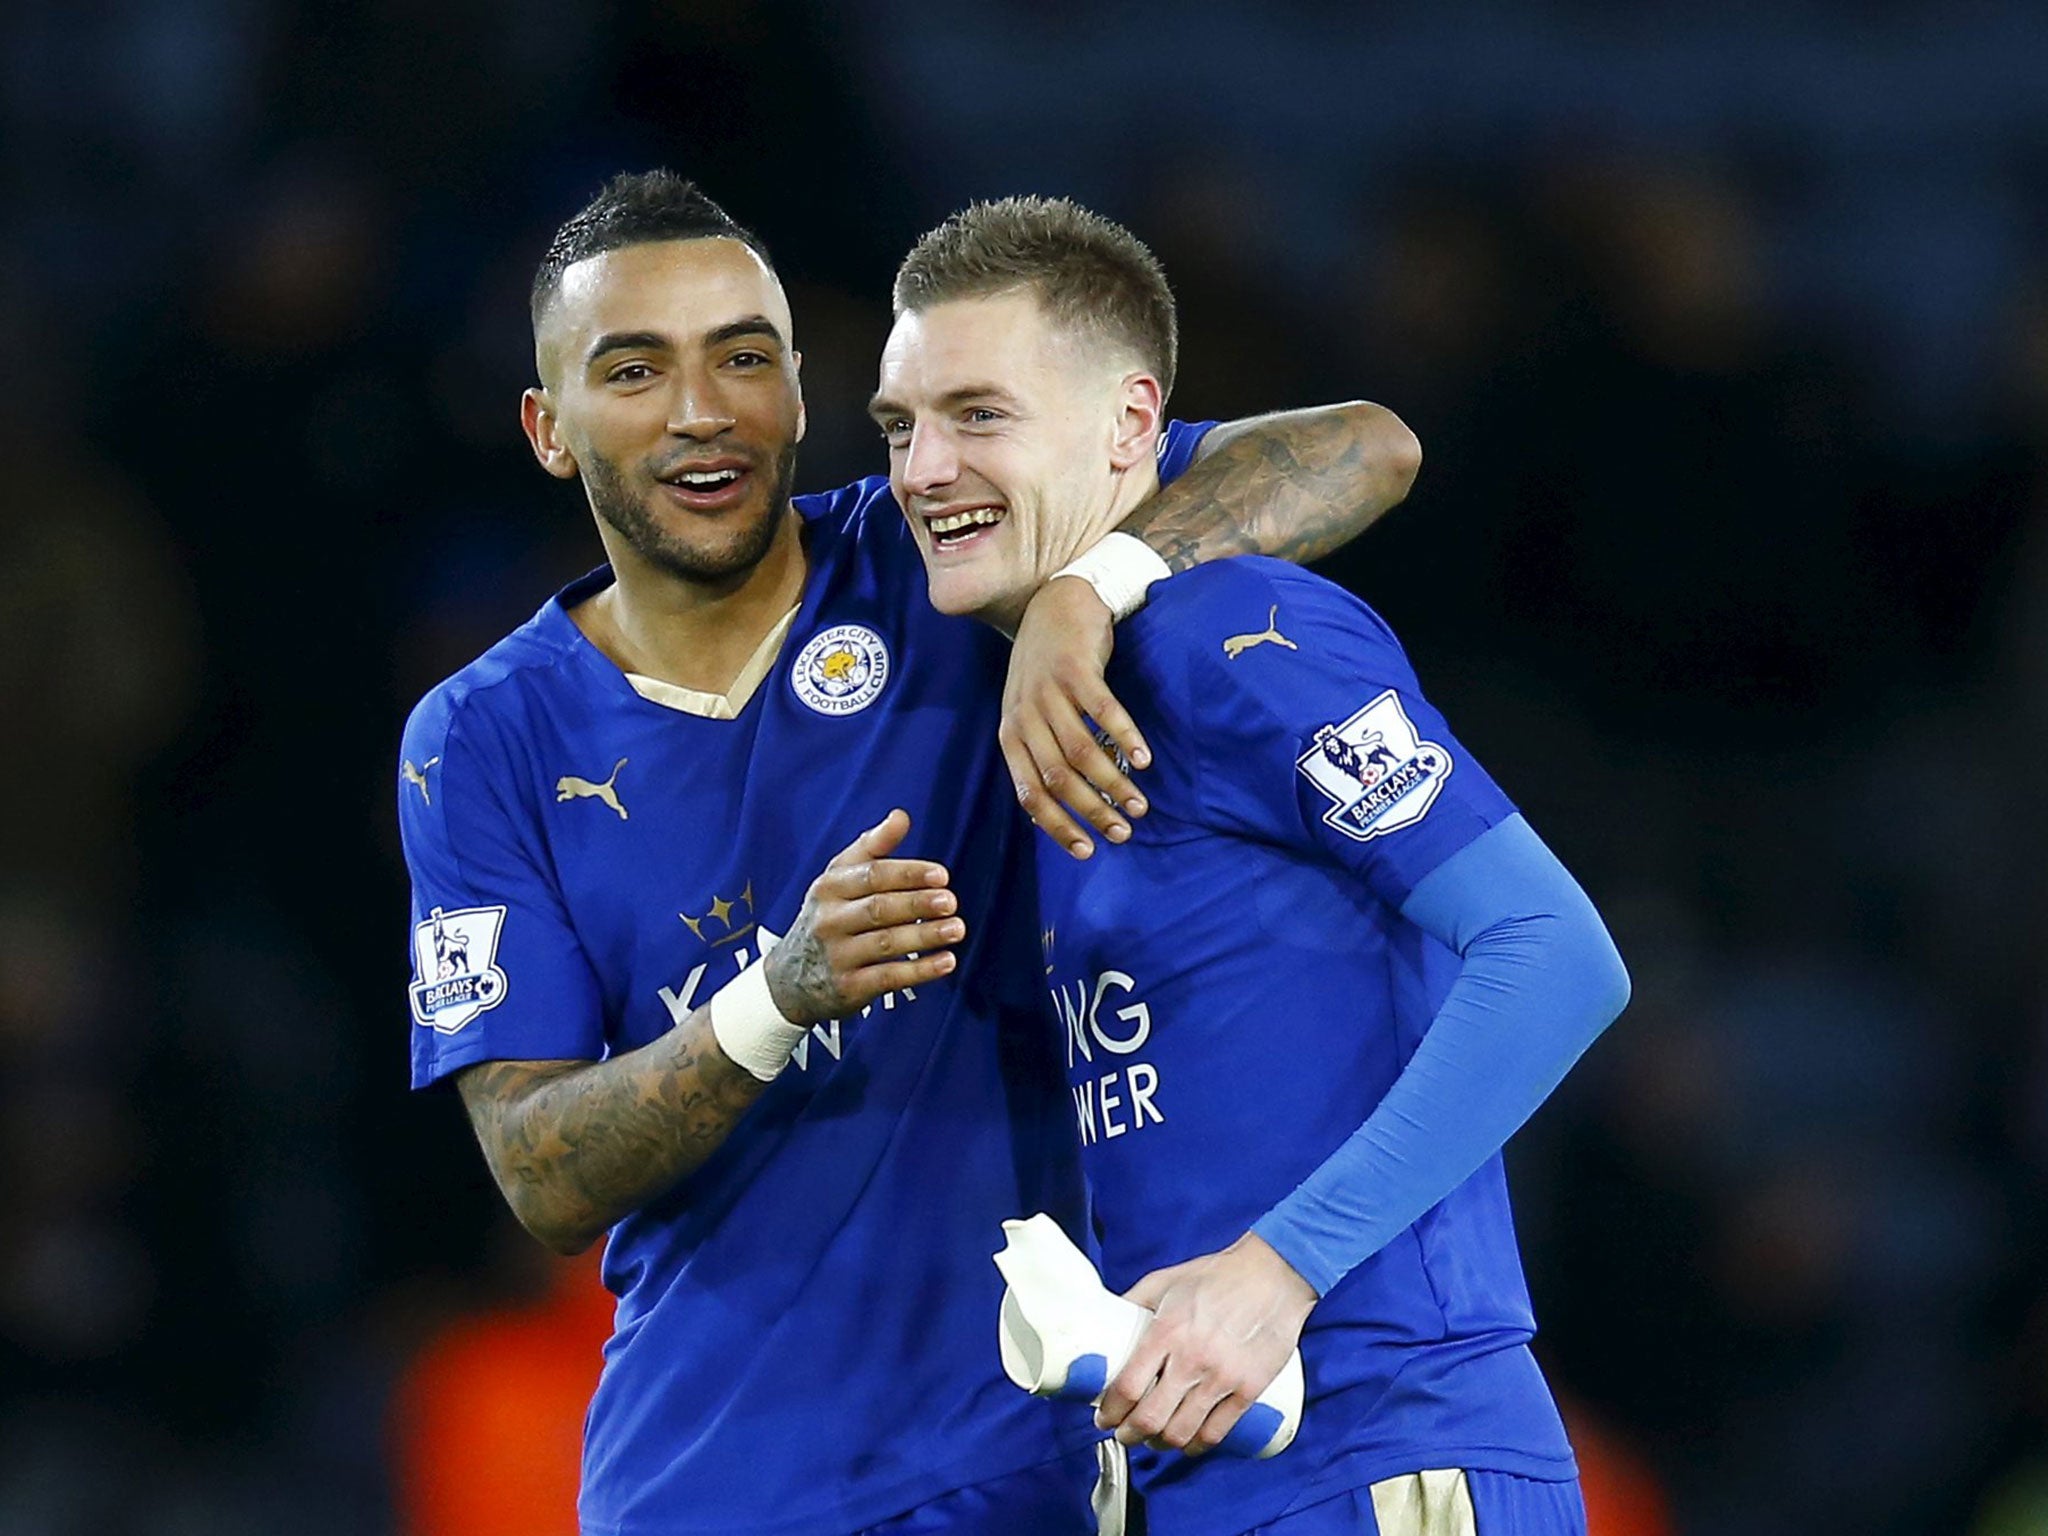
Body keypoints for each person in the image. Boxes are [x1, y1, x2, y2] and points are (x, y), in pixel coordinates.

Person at [396, 169, 1423, 1536]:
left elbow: (1368, 446)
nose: (702, 411)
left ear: (802, 396)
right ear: (548, 428)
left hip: (1038, 1465)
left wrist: (1087, 590)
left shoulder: (944, 561)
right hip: (713, 1483)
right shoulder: (481, 738)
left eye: (743, 360)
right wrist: (775, 1000)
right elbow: (538, 1171)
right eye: (634, 371)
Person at [872, 195, 1631, 1535]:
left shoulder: (1238, 628)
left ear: (1128, 428)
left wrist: (1283, 1264)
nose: (924, 468)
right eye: (900, 426)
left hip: (1388, 1448)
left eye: (979, 415)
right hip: (1206, 1477)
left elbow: (1554, 956)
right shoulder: (1048, 708)